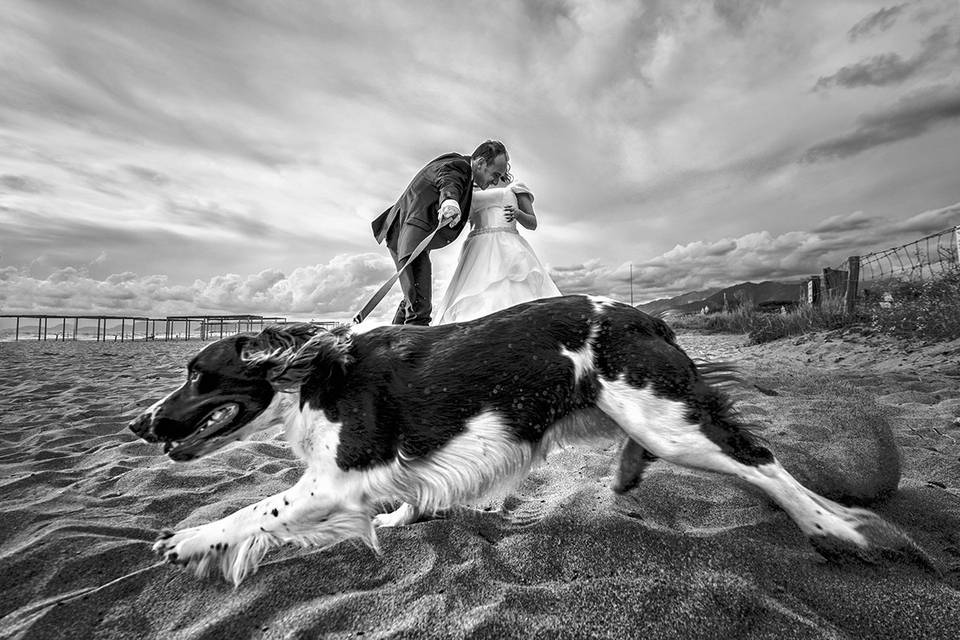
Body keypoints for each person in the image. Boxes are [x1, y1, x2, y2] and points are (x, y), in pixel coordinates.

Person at [371, 141, 510, 325]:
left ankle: (391, 350)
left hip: (402, 235)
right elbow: (447, 179)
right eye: (495, 174)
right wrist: (449, 201)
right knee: (419, 310)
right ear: (480, 163)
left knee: (411, 301)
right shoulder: (458, 166)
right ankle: (411, 352)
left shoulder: (465, 175)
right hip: (410, 239)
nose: (495, 181)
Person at [432, 169, 562, 325]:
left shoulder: (516, 186)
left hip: (507, 247)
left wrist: (518, 214)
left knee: (509, 294)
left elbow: (532, 223)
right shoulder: (469, 189)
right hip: (476, 252)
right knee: (474, 300)